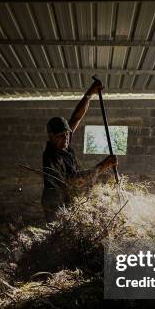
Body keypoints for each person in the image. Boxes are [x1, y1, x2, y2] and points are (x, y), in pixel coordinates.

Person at [41, 80, 118, 221]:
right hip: (55, 202)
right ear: (50, 136)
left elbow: (76, 117)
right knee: (59, 231)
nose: (65, 139)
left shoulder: (64, 140)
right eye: (60, 136)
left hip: (69, 196)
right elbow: (73, 181)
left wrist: (89, 94)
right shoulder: (52, 157)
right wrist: (102, 166)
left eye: (67, 134)